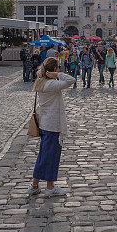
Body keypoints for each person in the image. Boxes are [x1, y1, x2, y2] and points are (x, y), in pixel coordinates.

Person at [28, 57, 74, 198]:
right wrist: (57, 75)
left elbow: (39, 72)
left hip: (44, 123)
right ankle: (50, 187)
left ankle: (34, 185)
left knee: (44, 155)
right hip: (53, 125)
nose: (60, 69)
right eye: (58, 67)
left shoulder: (40, 81)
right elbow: (71, 80)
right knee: (51, 157)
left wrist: (49, 73)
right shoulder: (52, 84)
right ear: (53, 70)